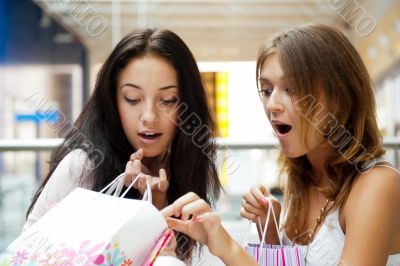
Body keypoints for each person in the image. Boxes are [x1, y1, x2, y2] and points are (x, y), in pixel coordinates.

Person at [162, 24, 400, 265]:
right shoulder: (305, 176)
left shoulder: (377, 183)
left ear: (339, 97)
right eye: (266, 90)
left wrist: (227, 248)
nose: (272, 105)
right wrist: (271, 231)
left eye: (292, 89)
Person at [24, 28, 222, 262]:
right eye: (132, 99)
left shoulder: (184, 169)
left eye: (168, 100)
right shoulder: (82, 167)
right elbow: (26, 251)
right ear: (112, 102)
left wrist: (156, 205)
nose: (149, 116)